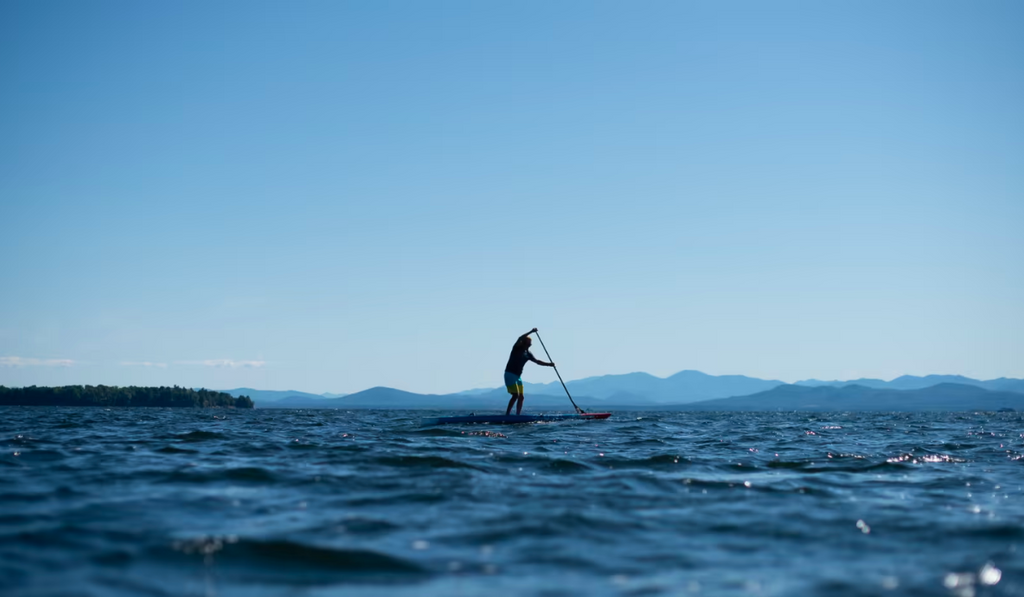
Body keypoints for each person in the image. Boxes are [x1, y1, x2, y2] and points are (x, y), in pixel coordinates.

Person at [504, 328, 555, 415]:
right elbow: (520, 338)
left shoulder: (528, 353)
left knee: (521, 397)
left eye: (530, 342)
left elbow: (537, 362)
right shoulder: (516, 348)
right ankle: (507, 415)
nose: (530, 343)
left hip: (518, 376)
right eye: (528, 341)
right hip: (510, 374)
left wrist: (549, 364)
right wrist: (531, 332)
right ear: (524, 342)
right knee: (515, 395)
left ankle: (518, 415)